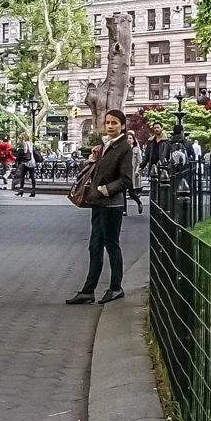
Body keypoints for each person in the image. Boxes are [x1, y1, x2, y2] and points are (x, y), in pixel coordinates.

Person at [66, 111, 137, 305]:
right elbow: (100, 171)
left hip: (112, 204)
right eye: (107, 123)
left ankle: (116, 288)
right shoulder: (106, 145)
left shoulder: (124, 148)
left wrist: (106, 190)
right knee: (95, 246)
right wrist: (93, 161)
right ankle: (88, 290)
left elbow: (126, 179)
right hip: (98, 203)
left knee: (111, 245)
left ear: (122, 125)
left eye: (114, 123)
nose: (110, 126)